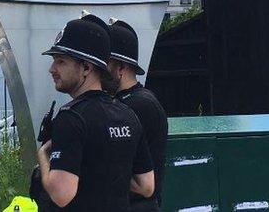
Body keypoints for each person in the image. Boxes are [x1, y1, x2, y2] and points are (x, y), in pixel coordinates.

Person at [35, 16, 155, 210]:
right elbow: (146, 186)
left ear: (86, 68)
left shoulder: (71, 118)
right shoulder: (128, 114)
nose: (52, 69)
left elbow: (61, 194)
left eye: (61, 61)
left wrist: (42, 155)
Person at [107, 19, 169, 212]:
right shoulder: (129, 100)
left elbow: (136, 177)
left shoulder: (139, 104)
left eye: (105, 64)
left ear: (121, 67)